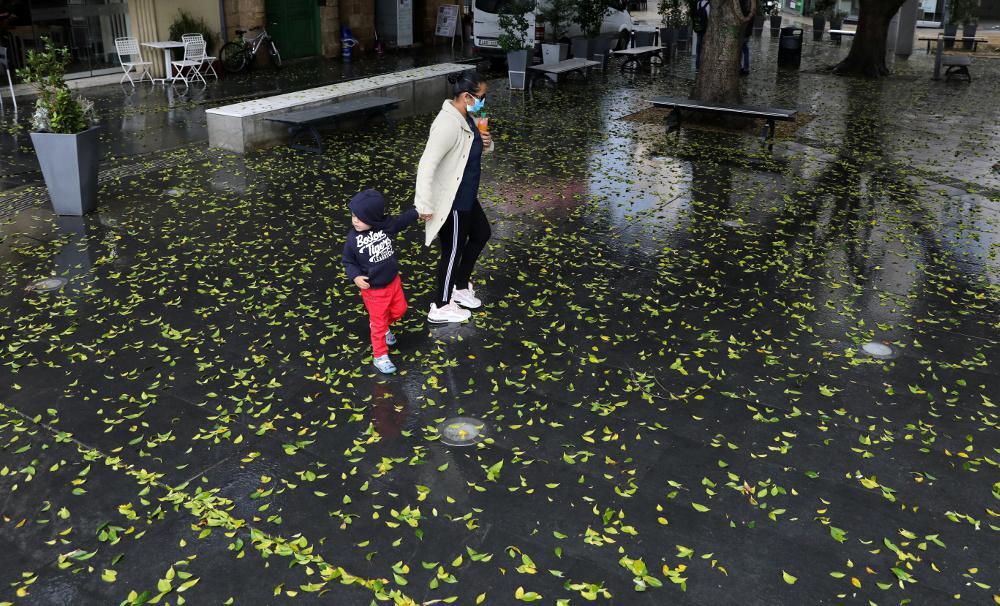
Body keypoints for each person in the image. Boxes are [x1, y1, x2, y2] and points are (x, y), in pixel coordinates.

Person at [414, 70, 494, 324]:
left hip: (467, 193)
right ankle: (440, 304)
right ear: (466, 96)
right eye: (481, 97)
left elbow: (478, 147)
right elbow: (427, 164)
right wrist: (424, 203)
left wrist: (487, 140)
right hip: (454, 200)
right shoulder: (447, 123)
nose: (484, 101)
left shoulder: (470, 115)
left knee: (482, 234)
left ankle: (459, 287)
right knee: (453, 250)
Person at [342, 189, 418, 374]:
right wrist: (355, 277)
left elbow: (402, 220)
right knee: (378, 323)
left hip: (393, 282)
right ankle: (380, 356)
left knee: (400, 310)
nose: (355, 221)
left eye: (360, 217)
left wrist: (418, 212)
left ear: (373, 218)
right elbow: (348, 261)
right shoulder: (353, 239)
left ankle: (383, 327)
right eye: (353, 216)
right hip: (373, 289)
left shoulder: (386, 226)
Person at [693, 0, 710, 70]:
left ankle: (697, 67)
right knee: (705, 48)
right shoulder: (708, 5)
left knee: (698, 48)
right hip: (705, 29)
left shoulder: (699, 3)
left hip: (699, 28)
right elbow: (709, 17)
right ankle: (704, 66)